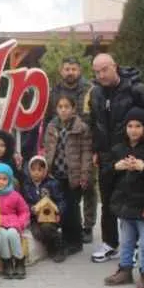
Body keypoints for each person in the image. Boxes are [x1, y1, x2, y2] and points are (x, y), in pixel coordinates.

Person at [89, 53, 144, 263]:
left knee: (133, 197)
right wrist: (95, 149)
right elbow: (94, 122)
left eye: (104, 70)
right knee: (108, 199)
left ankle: (136, 245)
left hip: (131, 153)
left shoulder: (137, 90)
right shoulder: (96, 93)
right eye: (97, 71)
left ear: (114, 67)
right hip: (106, 156)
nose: (101, 75)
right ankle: (110, 243)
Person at [102, 108, 144, 288]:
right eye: (130, 126)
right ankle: (125, 270)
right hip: (125, 203)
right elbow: (105, 175)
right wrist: (116, 167)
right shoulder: (118, 149)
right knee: (126, 239)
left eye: (138, 126)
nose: (133, 130)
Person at [44, 95, 92, 256]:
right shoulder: (52, 126)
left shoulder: (81, 127)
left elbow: (86, 152)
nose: (63, 110)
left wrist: (84, 175)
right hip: (56, 173)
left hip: (73, 175)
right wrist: (46, 169)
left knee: (73, 208)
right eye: (60, 107)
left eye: (66, 107)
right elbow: (48, 149)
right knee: (61, 208)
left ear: (73, 109)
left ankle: (76, 241)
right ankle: (64, 240)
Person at [0, 163, 30, 279]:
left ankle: (19, 260)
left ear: (9, 180)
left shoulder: (14, 195)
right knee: (2, 235)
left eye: (5, 179)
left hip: (13, 222)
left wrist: (21, 223)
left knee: (11, 234)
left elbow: (24, 211)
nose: (1, 181)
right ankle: (7, 261)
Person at [22, 156, 67, 262]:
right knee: (37, 233)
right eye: (33, 170)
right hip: (34, 217)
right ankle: (50, 247)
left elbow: (61, 200)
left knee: (47, 228)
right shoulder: (27, 185)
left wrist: (58, 211)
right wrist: (31, 208)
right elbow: (24, 202)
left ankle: (59, 247)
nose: (36, 173)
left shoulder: (52, 184)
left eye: (40, 170)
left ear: (45, 170)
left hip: (50, 217)